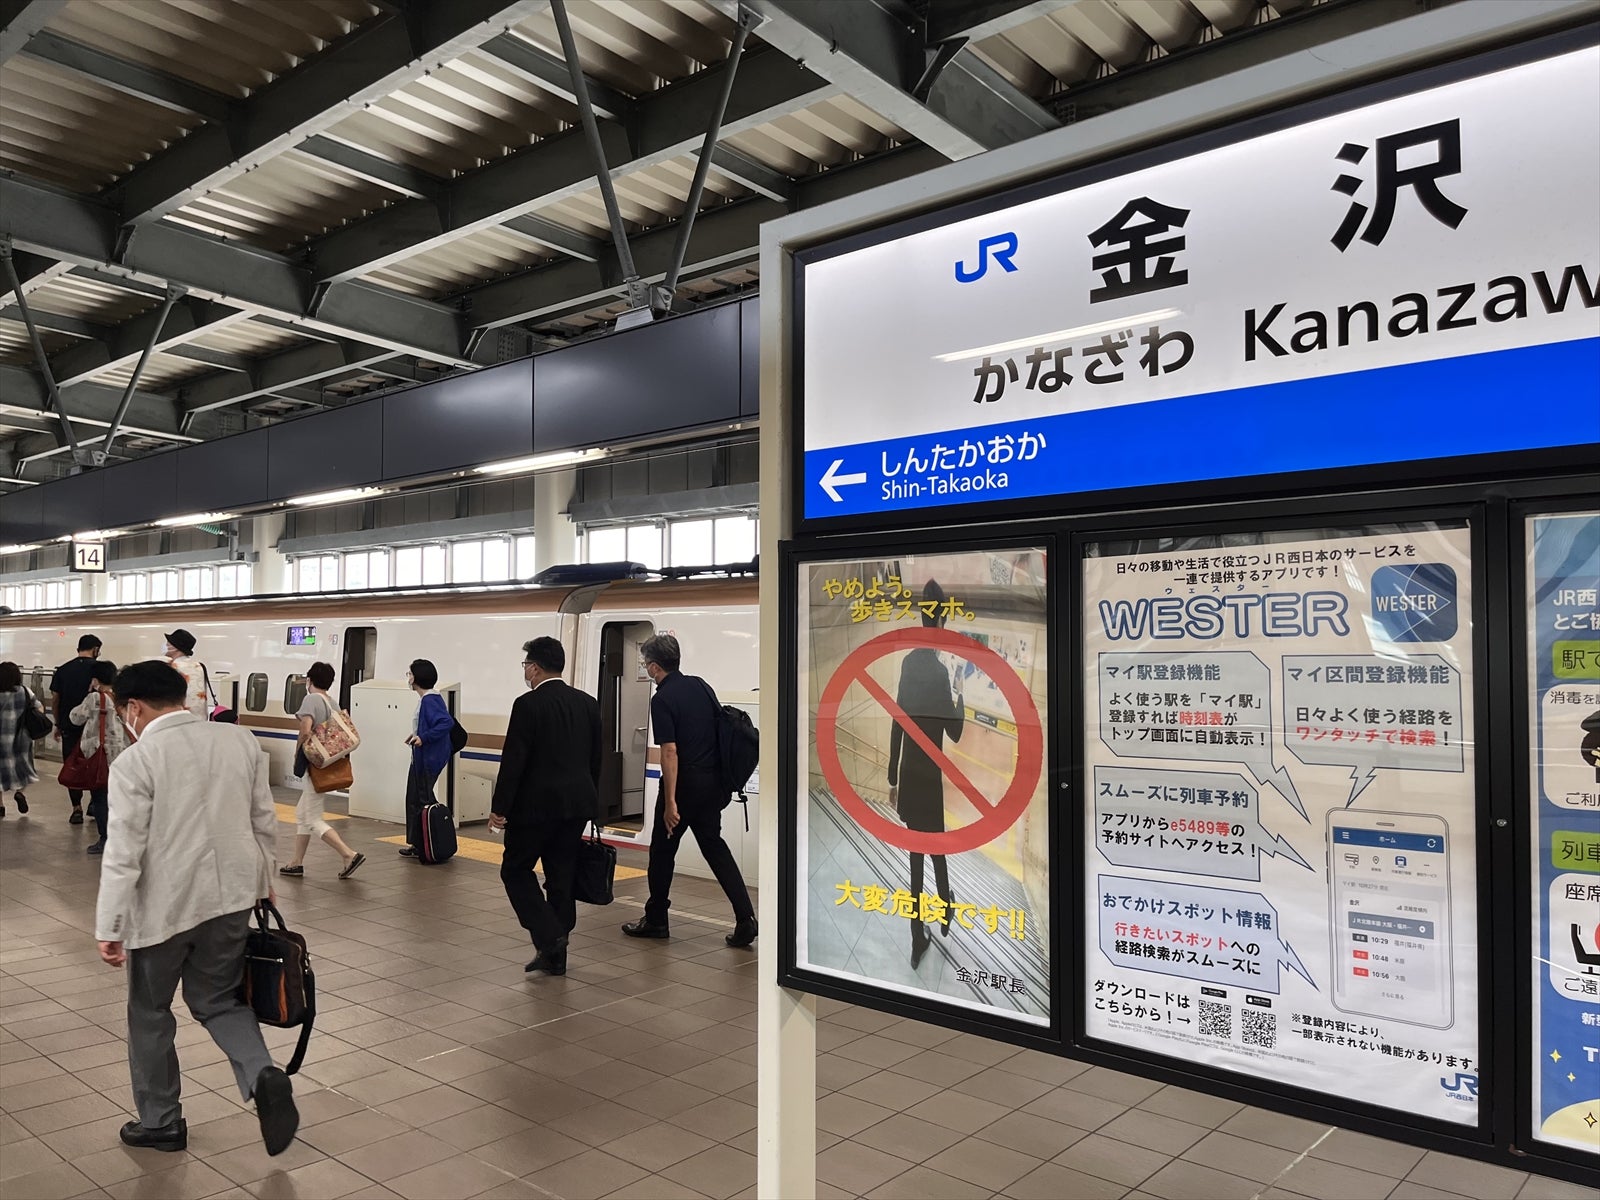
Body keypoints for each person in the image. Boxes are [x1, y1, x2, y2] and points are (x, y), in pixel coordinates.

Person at [95, 659, 299, 1157]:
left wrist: (110, 924)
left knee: (149, 1012)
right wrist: (264, 880)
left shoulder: (135, 763)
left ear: (134, 708)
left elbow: (124, 851)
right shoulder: (239, 741)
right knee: (219, 1001)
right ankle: (262, 1073)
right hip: (230, 899)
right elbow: (262, 819)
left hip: (163, 909)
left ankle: (162, 1122)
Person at [622, 634, 757, 948]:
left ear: (655, 667)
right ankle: (745, 918)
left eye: (645, 664)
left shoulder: (662, 699)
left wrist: (670, 802)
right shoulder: (700, 685)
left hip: (684, 787)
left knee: (662, 850)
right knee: (714, 847)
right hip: (714, 785)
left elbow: (670, 752)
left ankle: (656, 919)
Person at [489, 637, 602, 976]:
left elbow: (514, 762)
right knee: (561, 876)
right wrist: (591, 799)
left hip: (534, 809)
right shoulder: (588, 703)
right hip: (576, 805)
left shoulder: (527, 705)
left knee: (515, 870)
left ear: (535, 667)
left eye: (526, 665)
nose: (525, 670)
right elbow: (595, 758)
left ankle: (550, 935)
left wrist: (500, 808)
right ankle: (556, 954)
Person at [887, 579, 964, 968]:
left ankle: (918, 932)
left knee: (918, 851)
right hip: (930, 773)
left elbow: (897, 722)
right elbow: (955, 731)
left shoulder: (908, 662)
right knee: (936, 843)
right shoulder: (939, 670)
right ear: (945, 621)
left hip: (910, 771)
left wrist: (892, 777)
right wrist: (960, 692)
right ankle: (946, 903)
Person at [278, 662, 365, 879]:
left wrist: (298, 754)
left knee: (312, 818)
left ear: (309, 680)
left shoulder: (311, 699)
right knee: (302, 814)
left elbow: (306, 730)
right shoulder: (332, 702)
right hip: (327, 765)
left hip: (314, 765)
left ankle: (348, 854)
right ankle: (296, 862)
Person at [71, 660, 130, 855]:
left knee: (100, 798)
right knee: (118, 798)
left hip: (100, 756)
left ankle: (106, 839)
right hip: (122, 755)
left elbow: (75, 717)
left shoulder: (96, 698)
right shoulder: (123, 697)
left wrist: (91, 692)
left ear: (95, 679)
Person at [399, 659, 454, 859]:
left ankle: (430, 844)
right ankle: (420, 843)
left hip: (428, 761)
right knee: (415, 800)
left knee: (422, 800)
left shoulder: (430, 700)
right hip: (422, 758)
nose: (408, 677)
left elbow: (445, 723)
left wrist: (424, 737)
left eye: (410, 674)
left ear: (418, 677)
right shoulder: (427, 699)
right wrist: (416, 735)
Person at [51, 633, 102, 824]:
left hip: (69, 727)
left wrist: (58, 723)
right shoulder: (100, 670)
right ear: (95, 649)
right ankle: (94, 804)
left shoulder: (63, 670)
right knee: (95, 764)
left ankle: (76, 808)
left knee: (72, 765)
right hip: (95, 727)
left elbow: (56, 700)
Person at [0, 661, 45, 819]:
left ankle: (0, 805)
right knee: (24, 769)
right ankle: (19, 793)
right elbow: (39, 708)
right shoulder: (25, 691)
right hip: (21, 738)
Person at [163, 629, 209, 720]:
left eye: (169, 643)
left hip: (179, 720)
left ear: (175, 647)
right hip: (200, 719)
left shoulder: (172, 667)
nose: (166, 645)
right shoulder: (199, 666)